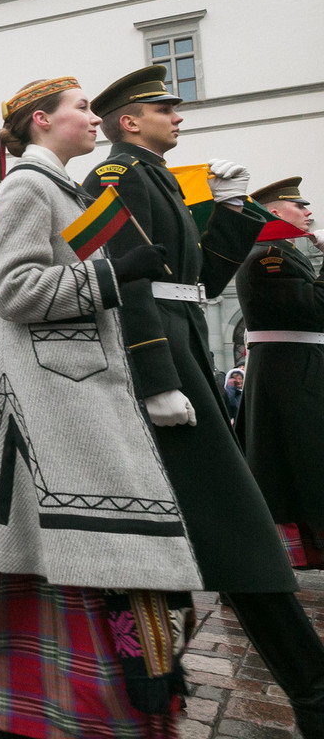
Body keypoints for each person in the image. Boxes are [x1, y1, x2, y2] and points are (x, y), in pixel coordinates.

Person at [0, 75, 200, 739]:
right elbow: (13, 290)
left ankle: (50, 702)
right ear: (43, 121)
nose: (94, 119)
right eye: (81, 109)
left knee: (77, 555)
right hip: (47, 409)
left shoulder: (67, 190)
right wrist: (110, 275)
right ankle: (53, 703)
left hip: (75, 396)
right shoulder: (26, 187)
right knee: (69, 554)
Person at [84, 66, 324, 737]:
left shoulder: (155, 178)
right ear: (129, 122)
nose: (179, 115)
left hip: (186, 357)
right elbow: (128, 284)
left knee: (211, 527)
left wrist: (232, 213)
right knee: (234, 526)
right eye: (166, 108)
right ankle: (309, 687)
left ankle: (155, 673)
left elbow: (198, 283)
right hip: (165, 367)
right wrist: (156, 377)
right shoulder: (113, 181)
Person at [236, 178, 324, 571]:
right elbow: (314, 309)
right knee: (302, 464)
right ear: (274, 213)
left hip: (297, 367)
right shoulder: (269, 255)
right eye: (299, 205)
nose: (308, 212)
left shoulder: (282, 252)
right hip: (290, 374)